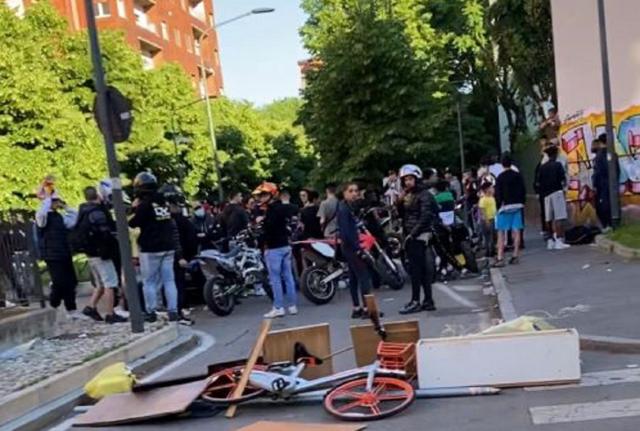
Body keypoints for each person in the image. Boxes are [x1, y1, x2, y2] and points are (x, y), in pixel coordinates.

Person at [128, 172, 183, 323]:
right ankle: (173, 310)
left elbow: (132, 223)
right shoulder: (163, 201)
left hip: (150, 248)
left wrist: (133, 208)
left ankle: (151, 311)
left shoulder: (144, 205)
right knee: (169, 280)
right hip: (168, 246)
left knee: (149, 281)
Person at [77, 186, 126, 324]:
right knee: (110, 283)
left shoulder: (83, 211)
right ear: (97, 196)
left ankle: (91, 307)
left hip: (90, 253)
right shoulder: (97, 213)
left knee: (100, 284)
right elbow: (105, 232)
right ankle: (110, 314)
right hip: (102, 253)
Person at [397, 164, 438, 314]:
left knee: (417, 270)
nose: (407, 182)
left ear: (417, 178)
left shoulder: (424, 195)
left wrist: (412, 234)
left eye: (410, 179)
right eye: (405, 180)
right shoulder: (409, 195)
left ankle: (417, 301)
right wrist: (399, 202)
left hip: (419, 236)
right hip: (411, 234)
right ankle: (427, 300)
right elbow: (402, 215)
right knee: (419, 269)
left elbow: (425, 216)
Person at [36, 192, 82, 319]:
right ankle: (54, 303)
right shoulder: (43, 216)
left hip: (64, 252)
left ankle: (71, 309)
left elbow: (74, 218)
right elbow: (41, 215)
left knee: (71, 282)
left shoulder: (59, 216)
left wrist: (65, 206)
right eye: (55, 201)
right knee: (59, 282)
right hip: (52, 254)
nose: (57, 203)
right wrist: (47, 199)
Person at [256, 182, 298, 318]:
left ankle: (278, 307)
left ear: (271, 194)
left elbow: (268, 229)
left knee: (275, 279)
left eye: (264, 194)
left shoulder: (271, 210)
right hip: (285, 245)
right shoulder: (282, 207)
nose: (261, 197)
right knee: (288, 277)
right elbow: (294, 209)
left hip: (273, 248)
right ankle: (292, 306)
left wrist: (261, 223)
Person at [160, 184, 197, 325]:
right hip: (178, 256)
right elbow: (187, 239)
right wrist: (184, 256)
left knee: (168, 284)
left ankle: (171, 311)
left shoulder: (162, 220)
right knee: (177, 284)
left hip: (164, 255)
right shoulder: (180, 221)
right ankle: (177, 312)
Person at [337, 182, 372, 318]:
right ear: (344, 193)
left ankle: (356, 307)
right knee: (364, 277)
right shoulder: (344, 209)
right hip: (351, 247)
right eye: (350, 191)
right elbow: (346, 232)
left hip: (348, 247)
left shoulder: (346, 207)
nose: (354, 194)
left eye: (356, 191)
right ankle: (367, 309)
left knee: (353, 278)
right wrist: (357, 248)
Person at [493, 154, 527, 266]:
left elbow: (498, 193)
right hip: (517, 205)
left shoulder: (500, 177)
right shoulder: (518, 175)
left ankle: (500, 257)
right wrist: (522, 202)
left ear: (502, 164)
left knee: (501, 232)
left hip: (505, 206)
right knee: (516, 231)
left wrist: (498, 205)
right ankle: (515, 255)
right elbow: (523, 189)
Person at [538, 146, 571, 250]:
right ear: (556, 154)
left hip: (546, 194)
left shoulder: (542, 167)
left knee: (548, 218)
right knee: (559, 217)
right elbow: (563, 179)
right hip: (557, 192)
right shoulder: (558, 165)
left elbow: (539, 181)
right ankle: (559, 240)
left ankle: (550, 240)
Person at [592, 134, 612, 230]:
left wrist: (595, 185)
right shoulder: (613, 154)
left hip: (602, 184)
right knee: (611, 203)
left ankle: (606, 225)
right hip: (611, 183)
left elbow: (597, 172)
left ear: (600, 142)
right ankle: (612, 224)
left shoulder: (598, 157)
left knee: (602, 205)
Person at [478, 182, 497, 257]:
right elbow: (482, 211)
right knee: (488, 237)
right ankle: (488, 251)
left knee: (492, 236)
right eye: (491, 187)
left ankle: (492, 250)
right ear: (487, 189)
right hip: (487, 220)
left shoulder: (492, 198)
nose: (493, 189)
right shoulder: (483, 199)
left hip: (492, 218)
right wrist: (486, 220)